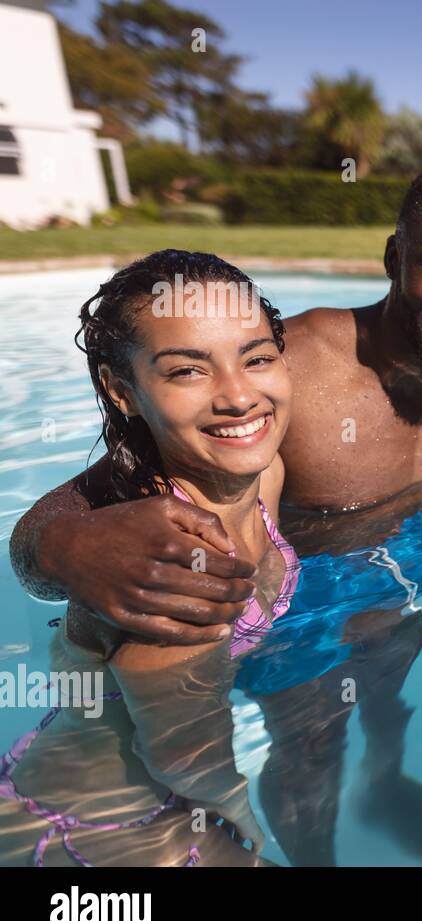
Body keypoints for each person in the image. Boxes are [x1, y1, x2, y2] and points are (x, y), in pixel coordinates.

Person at [8, 168, 422, 866]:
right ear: (395, 260)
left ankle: (385, 780)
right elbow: (104, 485)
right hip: (291, 589)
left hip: (390, 557)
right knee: (315, 737)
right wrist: (68, 544)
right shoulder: (277, 369)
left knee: (392, 669)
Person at [1, 250, 293, 866]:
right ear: (121, 390)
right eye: (188, 371)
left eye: (258, 357)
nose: (240, 396)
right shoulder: (173, 563)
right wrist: (239, 808)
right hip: (102, 822)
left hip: (126, 786)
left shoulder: (264, 475)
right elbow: (184, 759)